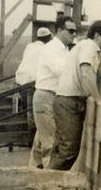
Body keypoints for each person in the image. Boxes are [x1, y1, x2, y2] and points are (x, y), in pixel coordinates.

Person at [49, 20, 101, 171]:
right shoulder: (89, 46)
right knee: (68, 151)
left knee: (61, 149)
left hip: (66, 100)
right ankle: (48, 182)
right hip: (69, 102)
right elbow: (86, 73)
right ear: (97, 36)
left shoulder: (86, 47)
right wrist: (98, 100)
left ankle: (46, 180)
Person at [29, 16, 76, 169]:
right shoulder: (51, 48)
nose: (74, 34)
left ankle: (33, 173)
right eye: (70, 31)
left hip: (53, 98)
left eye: (75, 31)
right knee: (50, 143)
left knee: (41, 139)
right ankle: (50, 178)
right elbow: (62, 71)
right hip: (46, 97)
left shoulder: (64, 50)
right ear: (60, 30)